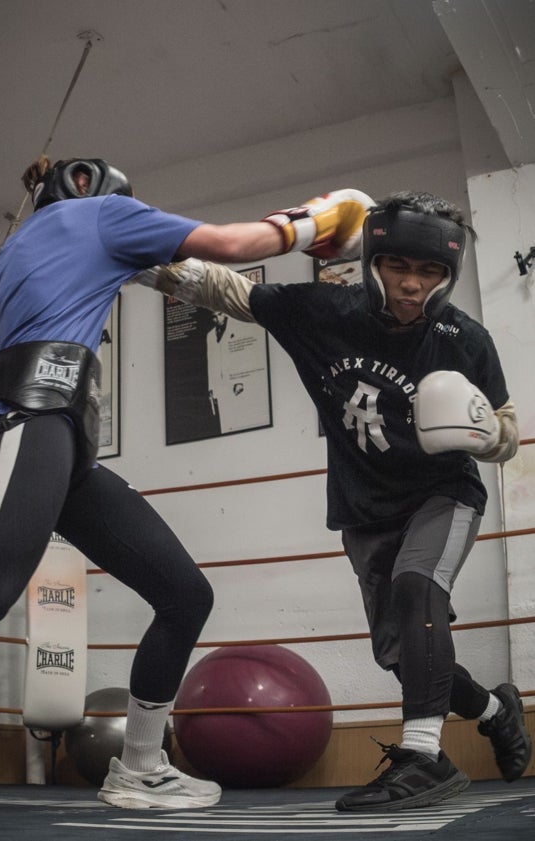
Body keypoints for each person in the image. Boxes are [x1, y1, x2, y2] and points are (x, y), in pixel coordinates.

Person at [0, 155, 349, 814]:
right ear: (84, 187)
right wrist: (318, 221)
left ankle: (139, 768)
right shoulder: (98, 214)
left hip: (64, 441)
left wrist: (12, 362)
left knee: (183, 593)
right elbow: (231, 246)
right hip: (33, 422)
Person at [134, 190, 532, 811]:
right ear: (372, 263)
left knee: (417, 585)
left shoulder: (463, 340)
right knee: (402, 657)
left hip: (442, 495)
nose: (411, 286)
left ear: (448, 278)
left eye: (430, 273)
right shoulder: (325, 311)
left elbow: (506, 428)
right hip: (363, 508)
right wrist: (118, 248)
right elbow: (223, 290)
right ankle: (494, 710)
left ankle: (425, 757)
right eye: (399, 267)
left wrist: (489, 435)